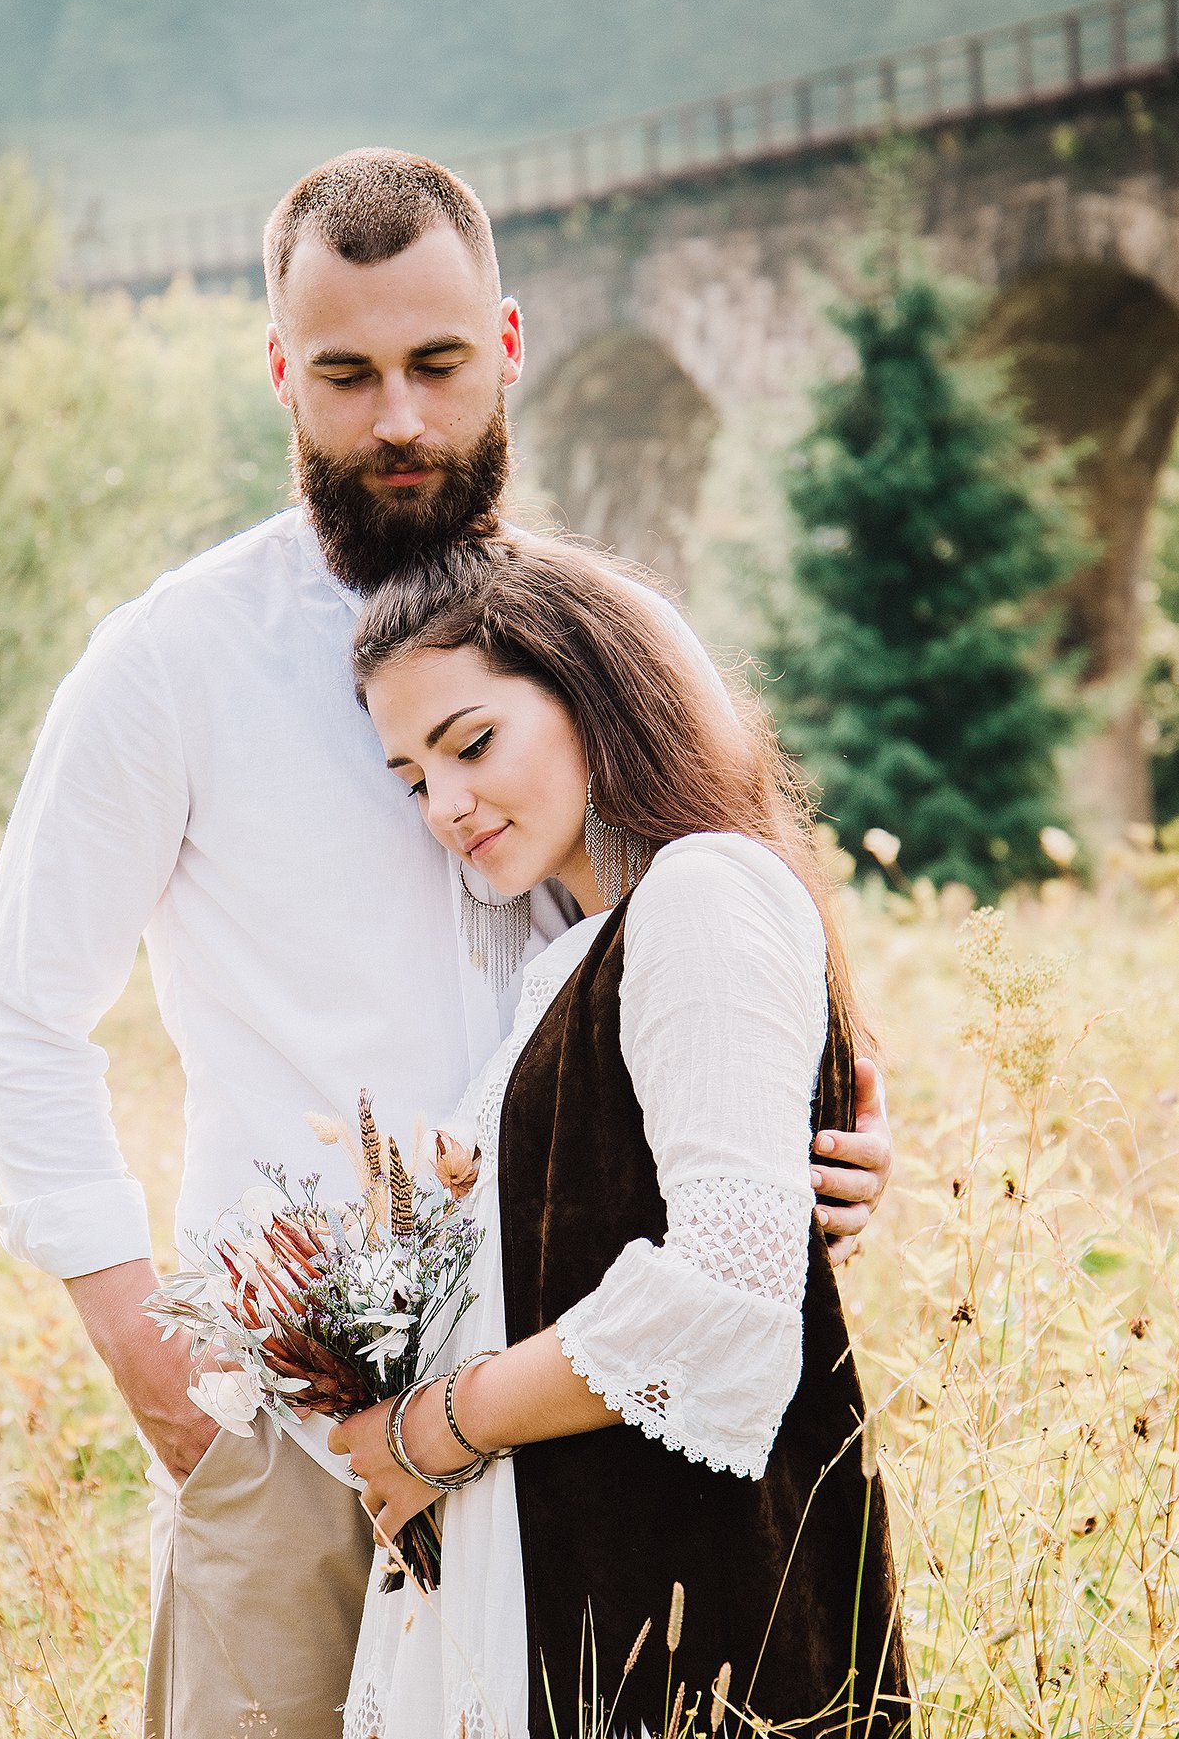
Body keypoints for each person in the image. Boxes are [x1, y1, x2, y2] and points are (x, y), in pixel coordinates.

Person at [0, 149, 895, 1739]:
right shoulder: (170, 662)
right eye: (347, 373)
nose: (397, 417)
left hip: (580, 1393)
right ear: (281, 374)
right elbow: (21, 1018)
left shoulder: (616, 642)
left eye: (437, 364)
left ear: (510, 345)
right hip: (296, 1413)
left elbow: (736, 926)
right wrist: (170, 1390)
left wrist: (841, 1140)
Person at [335, 532, 911, 1739]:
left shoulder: (701, 893)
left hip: (692, 1606)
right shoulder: (571, 958)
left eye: (472, 743)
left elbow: (725, 1295)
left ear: (589, 687)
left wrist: (429, 1430)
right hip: (579, 1582)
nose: (444, 805)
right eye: (410, 777)